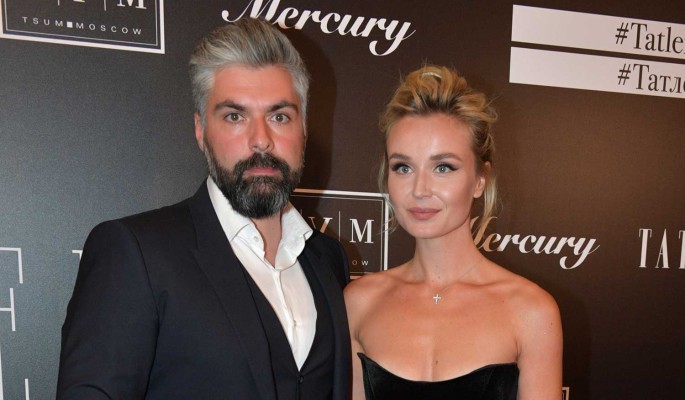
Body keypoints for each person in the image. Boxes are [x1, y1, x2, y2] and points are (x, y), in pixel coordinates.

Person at [57, 18, 351, 400]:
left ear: (304, 129)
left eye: (279, 116)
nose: (261, 139)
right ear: (200, 130)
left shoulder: (328, 260)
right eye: (235, 116)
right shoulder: (136, 253)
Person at [344, 65, 562, 400]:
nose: (420, 189)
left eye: (443, 167)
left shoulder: (531, 311)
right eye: (403, 167)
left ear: (480, 180)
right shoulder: (359, 302)